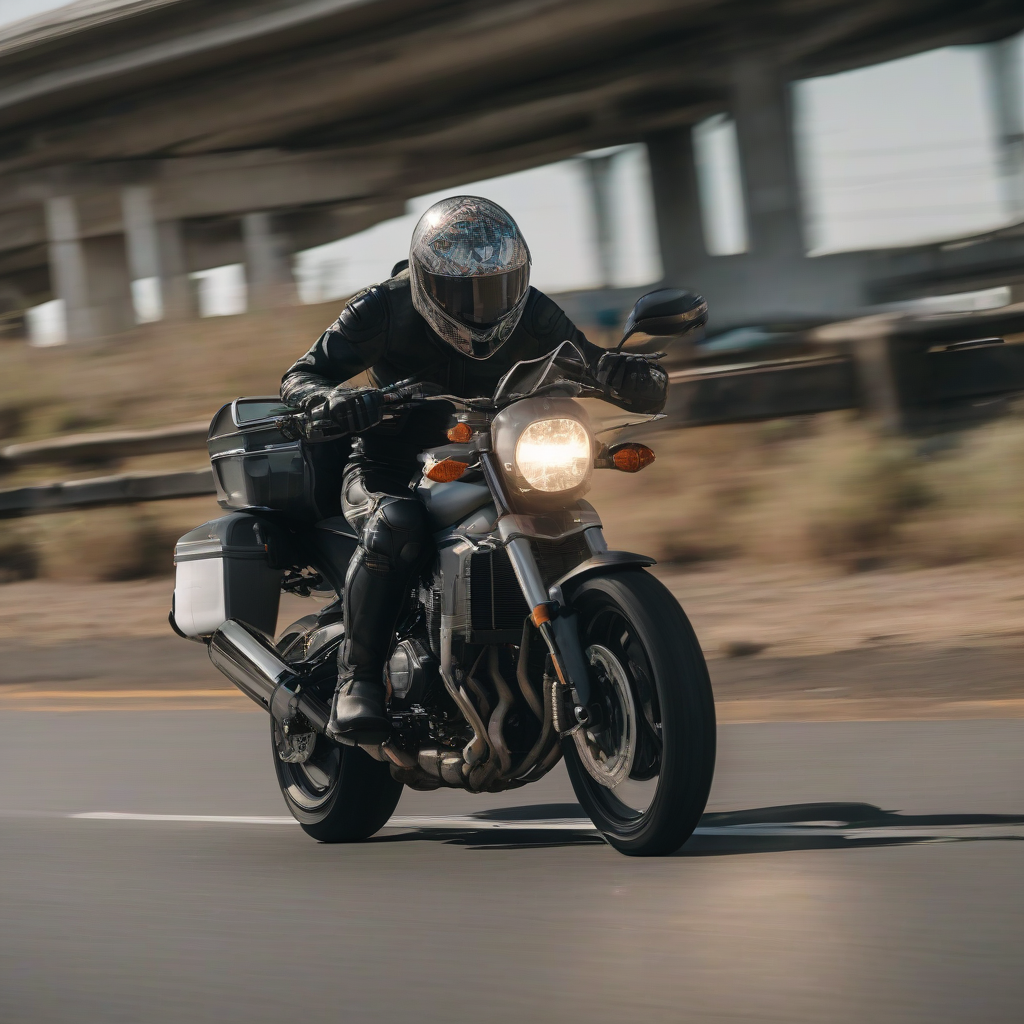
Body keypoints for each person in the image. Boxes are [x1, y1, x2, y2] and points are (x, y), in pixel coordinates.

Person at [281, 195, 669, 743]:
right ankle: (359, 678)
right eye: (463, 293)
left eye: (497, 290)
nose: (483, 307)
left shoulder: (533, 311)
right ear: (424, 282)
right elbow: (302, 376)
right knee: (396, 525)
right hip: (389, 466)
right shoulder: (382, 308)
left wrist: (626, 377)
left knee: (557, 504)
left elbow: (584, 359)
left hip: (494, 457)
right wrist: (333, 402)